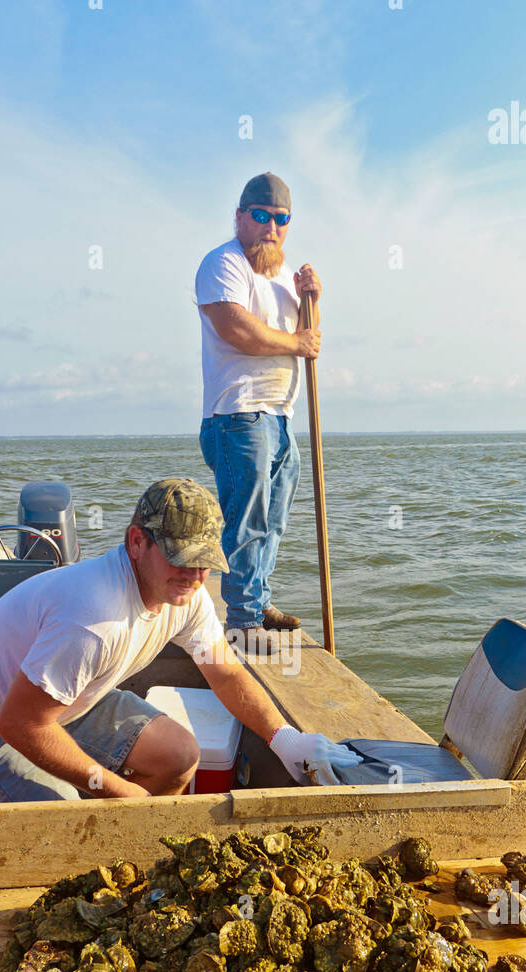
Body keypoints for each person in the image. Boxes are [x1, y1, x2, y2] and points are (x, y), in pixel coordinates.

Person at [0, 478, 358, 801]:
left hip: (70, 701)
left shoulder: (184, 595)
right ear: (137, 542)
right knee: (62, 822)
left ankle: (120, 844)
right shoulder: (92, 619)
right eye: (182, 560)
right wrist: (122, 793)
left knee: (179, 756)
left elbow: (225, 673)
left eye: (205, 564)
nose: (194, 578)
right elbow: (19, 723)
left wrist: (285, 739)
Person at [195, 171, 322, 637]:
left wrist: (312, 298)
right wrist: (297, 341)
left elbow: (309, 339)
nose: (272, 226)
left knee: (274, 519)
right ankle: (243, 622)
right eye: (262, 216)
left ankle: (258, 599)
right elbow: (237, 330)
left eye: (281, 218)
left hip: (282, 415)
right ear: (240, 217)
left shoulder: (286, 277)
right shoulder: (223, 263)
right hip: (239, 414)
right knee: (246, 521)